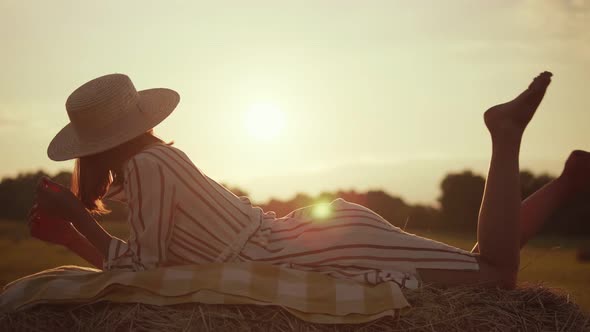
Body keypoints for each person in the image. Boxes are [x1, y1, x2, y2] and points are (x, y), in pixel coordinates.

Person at [29, 72, 588, 290]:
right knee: (480, 268)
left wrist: (78, 219)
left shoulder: (147, 170)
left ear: (93, 147)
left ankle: (505, 134)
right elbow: (151, 259)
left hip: (316, 252)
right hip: (315, 239)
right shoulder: (154, 165)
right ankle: (568, 182)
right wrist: (75, 239)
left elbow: (146, 273)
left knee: (493, 277)